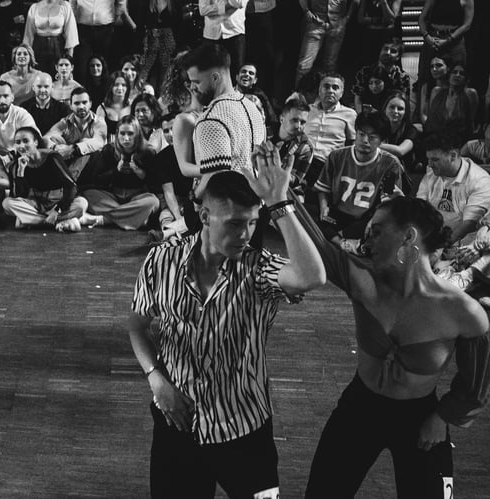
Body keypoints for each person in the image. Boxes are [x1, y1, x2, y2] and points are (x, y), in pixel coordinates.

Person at [127, 157, 327, 499]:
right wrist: (155, 377)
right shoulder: (162, 259)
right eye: (235, 223)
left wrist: (279, 203)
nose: (245, 234)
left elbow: (312, 276)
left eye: (252, 223)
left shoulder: (258, 269)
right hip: (178, 423)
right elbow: (138, 321)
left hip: (244, 430)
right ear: (205, 217)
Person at [292, 192, 490, 497]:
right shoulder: (362, 277)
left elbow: (475, 385)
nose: (367, 242)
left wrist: (442, 418)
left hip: (421, 419)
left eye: (378, 231)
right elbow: (316, 244)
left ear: (408, 236)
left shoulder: (463, 311)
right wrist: (281, 197)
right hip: (359, 407)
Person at [168, 43, 266, 197]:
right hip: (256, 203)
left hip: (225, 208)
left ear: (214, 78)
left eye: (197, 82)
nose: (193, 87)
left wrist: (196, 199)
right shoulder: (254, 108)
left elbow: (216, 175)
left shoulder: (210, 119)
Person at [312, 112, 404, 245]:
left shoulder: (390, 163)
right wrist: (324, 207)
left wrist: (373, 221)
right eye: (361, 134)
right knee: (309, 218)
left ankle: (338, 240)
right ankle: (343, 243)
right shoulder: (336, 156)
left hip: (367, 217)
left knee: (383, 228)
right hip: (338, 214)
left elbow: (388, 201)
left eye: (372, 137)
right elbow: (323, 189)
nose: (365, 140)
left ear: (382, 141)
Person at [4, 126, 101, 231]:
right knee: (7, 204)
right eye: (18, 142)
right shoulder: (16, 165)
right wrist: (20, 171)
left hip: (58, 201)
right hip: (37, 204)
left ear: (35, 142)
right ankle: (61, 221)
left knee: (81, 204)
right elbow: (18, 195)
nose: (21, 146)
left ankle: (34, 221)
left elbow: (71, 186)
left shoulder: (51, 157)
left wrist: (58, 210)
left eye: (26, 141)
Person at [79, 118, 160, 230]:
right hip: (113, 196)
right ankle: (136, 218)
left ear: (137, 134)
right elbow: (97, 180)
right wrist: (115, 171)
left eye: (130, 134)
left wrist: (140, 172)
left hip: (137, 197)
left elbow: (156, 184)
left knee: (153, 201)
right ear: (117, 134)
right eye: (122, 133)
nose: (126, 138)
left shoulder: (147, 152)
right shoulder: (109, 150)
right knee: (88, 194)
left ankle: (103, 220)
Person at [416, 134, 490, 246]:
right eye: (428, 159)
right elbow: (420, 205)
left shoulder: (479, 180)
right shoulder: (432, 171)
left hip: (461, 244)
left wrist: (440, 245)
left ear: (453, 156)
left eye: (435, 159)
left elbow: (469, 224)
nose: (430, 164)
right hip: (431, 236)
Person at [302, 73, 358, 182]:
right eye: (326, 87)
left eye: (335, 88)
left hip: (328, 165)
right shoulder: (306, 110)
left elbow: (352, 144)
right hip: (302, 161)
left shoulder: (349, 114)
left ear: (341, 93)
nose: (330, 90)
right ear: (319, 90)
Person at [45, 87, 108, 183]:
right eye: (77, 103)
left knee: (87, 144)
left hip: (92, 167)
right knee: (54, 140)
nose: (81, 106)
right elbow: (46, 138)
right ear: (70, 105)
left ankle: (68, 182)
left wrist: (74, 149)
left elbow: (99, 142)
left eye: (84, 102)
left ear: (90, 103)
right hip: (67, 161)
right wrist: (57, 148)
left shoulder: (99, 122)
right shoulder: (65, 122)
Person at [415, 0, 472, 87]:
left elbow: (467, 24)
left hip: (455, 41)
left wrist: (449, 40)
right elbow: (422, 18)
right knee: (425, 77)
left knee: (457, 76)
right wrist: (426, 36)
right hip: (433, 38)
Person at [421, 64, 479, 146]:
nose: (457, 75)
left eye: (462, 74)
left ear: (466, 79)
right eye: (454, 72)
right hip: (434, 138)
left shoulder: (470, 94)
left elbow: (471, 122)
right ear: (449, 75)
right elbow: (431, 118)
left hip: (458, 141)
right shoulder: (436, 91)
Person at [23, 0, 79, 74]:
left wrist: (69, 57)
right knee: (39, 76)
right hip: (38, 47)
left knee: (58, 76)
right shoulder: (34, 7)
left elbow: (71, 32)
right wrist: (27, 56)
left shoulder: (65, 6)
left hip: (58, 47)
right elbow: (28, 34)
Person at [200, 0, 246, 72]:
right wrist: (225, 7)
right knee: (210, 72)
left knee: (236, 71)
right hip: (211, 35)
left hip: (235, 33)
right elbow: (203, 10)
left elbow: (239, 3)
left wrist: (215, 9)